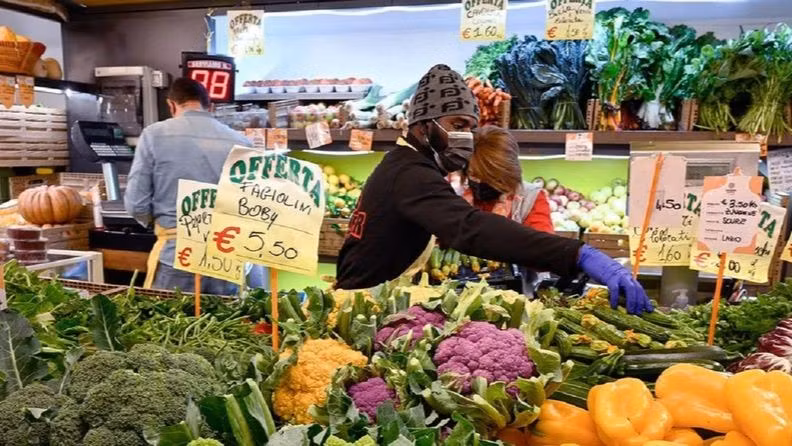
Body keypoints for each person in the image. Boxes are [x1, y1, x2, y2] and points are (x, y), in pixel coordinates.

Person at [335, 64, 652, 314]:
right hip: (360, 309)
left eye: (471, 128)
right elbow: (470, 229)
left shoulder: (406, 165)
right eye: (458, 126)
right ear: (422, 126)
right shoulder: (410, 173)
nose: (467, 138)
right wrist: (578, 254)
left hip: (369, 302)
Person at [124, 78, 265, 295]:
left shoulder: (154, 135)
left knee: (169, 324)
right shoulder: (242, 141)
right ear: (210, 107)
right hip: (227, 254)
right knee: (226, 325)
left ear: (171, 105)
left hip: (178, 254)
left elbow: (136, 204)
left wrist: (164, 226)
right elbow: (252, 202)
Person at [462, 125, 553, 233]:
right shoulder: (458, 195)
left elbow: (542, 244)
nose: (480, 182)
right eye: (474, 175)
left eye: (489, 177)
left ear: (507, 172)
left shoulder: (529, 198)